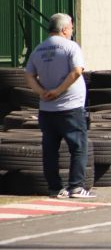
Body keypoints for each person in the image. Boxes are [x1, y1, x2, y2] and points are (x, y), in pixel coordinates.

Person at [24, 13, 94, 199]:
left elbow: (29, 75)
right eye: (71, 27)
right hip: (70, 108)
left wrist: (41, 92)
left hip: (46, 110)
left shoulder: (38, 49)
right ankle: (76, 187)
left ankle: (55, 188)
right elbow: (77, 71)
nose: (72, 31)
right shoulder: (71, 47)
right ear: (64, 29)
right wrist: (58, 90)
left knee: (50, 150)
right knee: (78, 147)